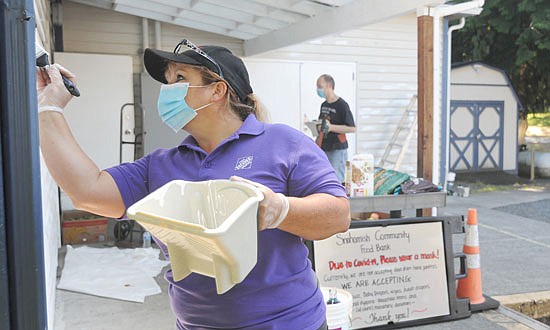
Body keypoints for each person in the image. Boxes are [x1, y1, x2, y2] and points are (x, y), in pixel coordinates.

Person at [37, 39, 351, 330]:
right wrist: (48, 109)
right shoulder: (161, 165)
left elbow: (338, 215)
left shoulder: (283, 143)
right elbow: (87, 192)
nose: (167, 90)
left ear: (217, 91)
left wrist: (280, 209)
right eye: (168, 80)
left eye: (179, 79)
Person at [316, 74, 356, 183]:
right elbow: (322, 123)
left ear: (329, 86)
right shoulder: (323, 105)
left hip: (337, 148)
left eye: (320, 86)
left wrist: (332, 127)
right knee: (325, 178)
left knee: (336, 178)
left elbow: (352, 128)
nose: (318, 89)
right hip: (324, 147)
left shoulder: (342, 105)